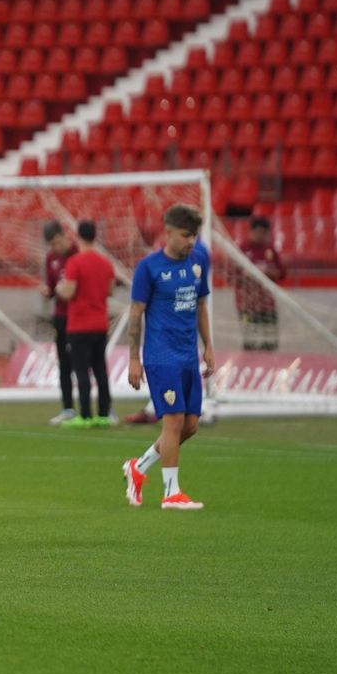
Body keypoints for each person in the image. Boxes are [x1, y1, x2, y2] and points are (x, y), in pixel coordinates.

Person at [122, 203, 214, 511]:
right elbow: (136, 314)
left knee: (190, 426)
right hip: (161, 355)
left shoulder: (200, 261)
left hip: (188, 355)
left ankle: (138, 467)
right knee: (173, 420)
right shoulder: (149, 268)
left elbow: (201, 306)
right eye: (186, 235)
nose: (191, 241)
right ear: (169, 233)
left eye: (195, 236)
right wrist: (134, 359)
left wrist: (209, 347)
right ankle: (171, 492)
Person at [56, 221, 117, 428]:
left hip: (80, 324)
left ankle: (85, 414)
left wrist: (59, 289)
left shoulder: (75, 262)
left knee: (82, 371)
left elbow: (69, 291)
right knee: (100, 369)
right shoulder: (105, 262)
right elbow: (110, 291)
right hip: (100, 323)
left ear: (78, 236)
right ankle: (103, 413)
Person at [39, 221, 77, 426]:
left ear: (64, 236)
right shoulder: (51, 258)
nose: (55, 247)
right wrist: (48, 291)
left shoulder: (78, 253)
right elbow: (52, 288)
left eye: (57, 242)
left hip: (80, 317)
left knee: (86, 364)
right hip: (61, 317)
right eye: (51, 244)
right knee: (64, 364)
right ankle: (68, 408)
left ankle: (103, 408)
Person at [237, 216, 286, 351]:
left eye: (264, 233)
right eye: (258, 232)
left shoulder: (270, 250)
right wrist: (247, 273)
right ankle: (251, 369)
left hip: (267, 304)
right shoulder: (242, 249)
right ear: (251, 232)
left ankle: (269, 367)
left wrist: (267, 271)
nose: (261, 236)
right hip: (247, 305)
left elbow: (281, 273)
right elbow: (232, 275)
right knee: (250, 343)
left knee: (269, 343)